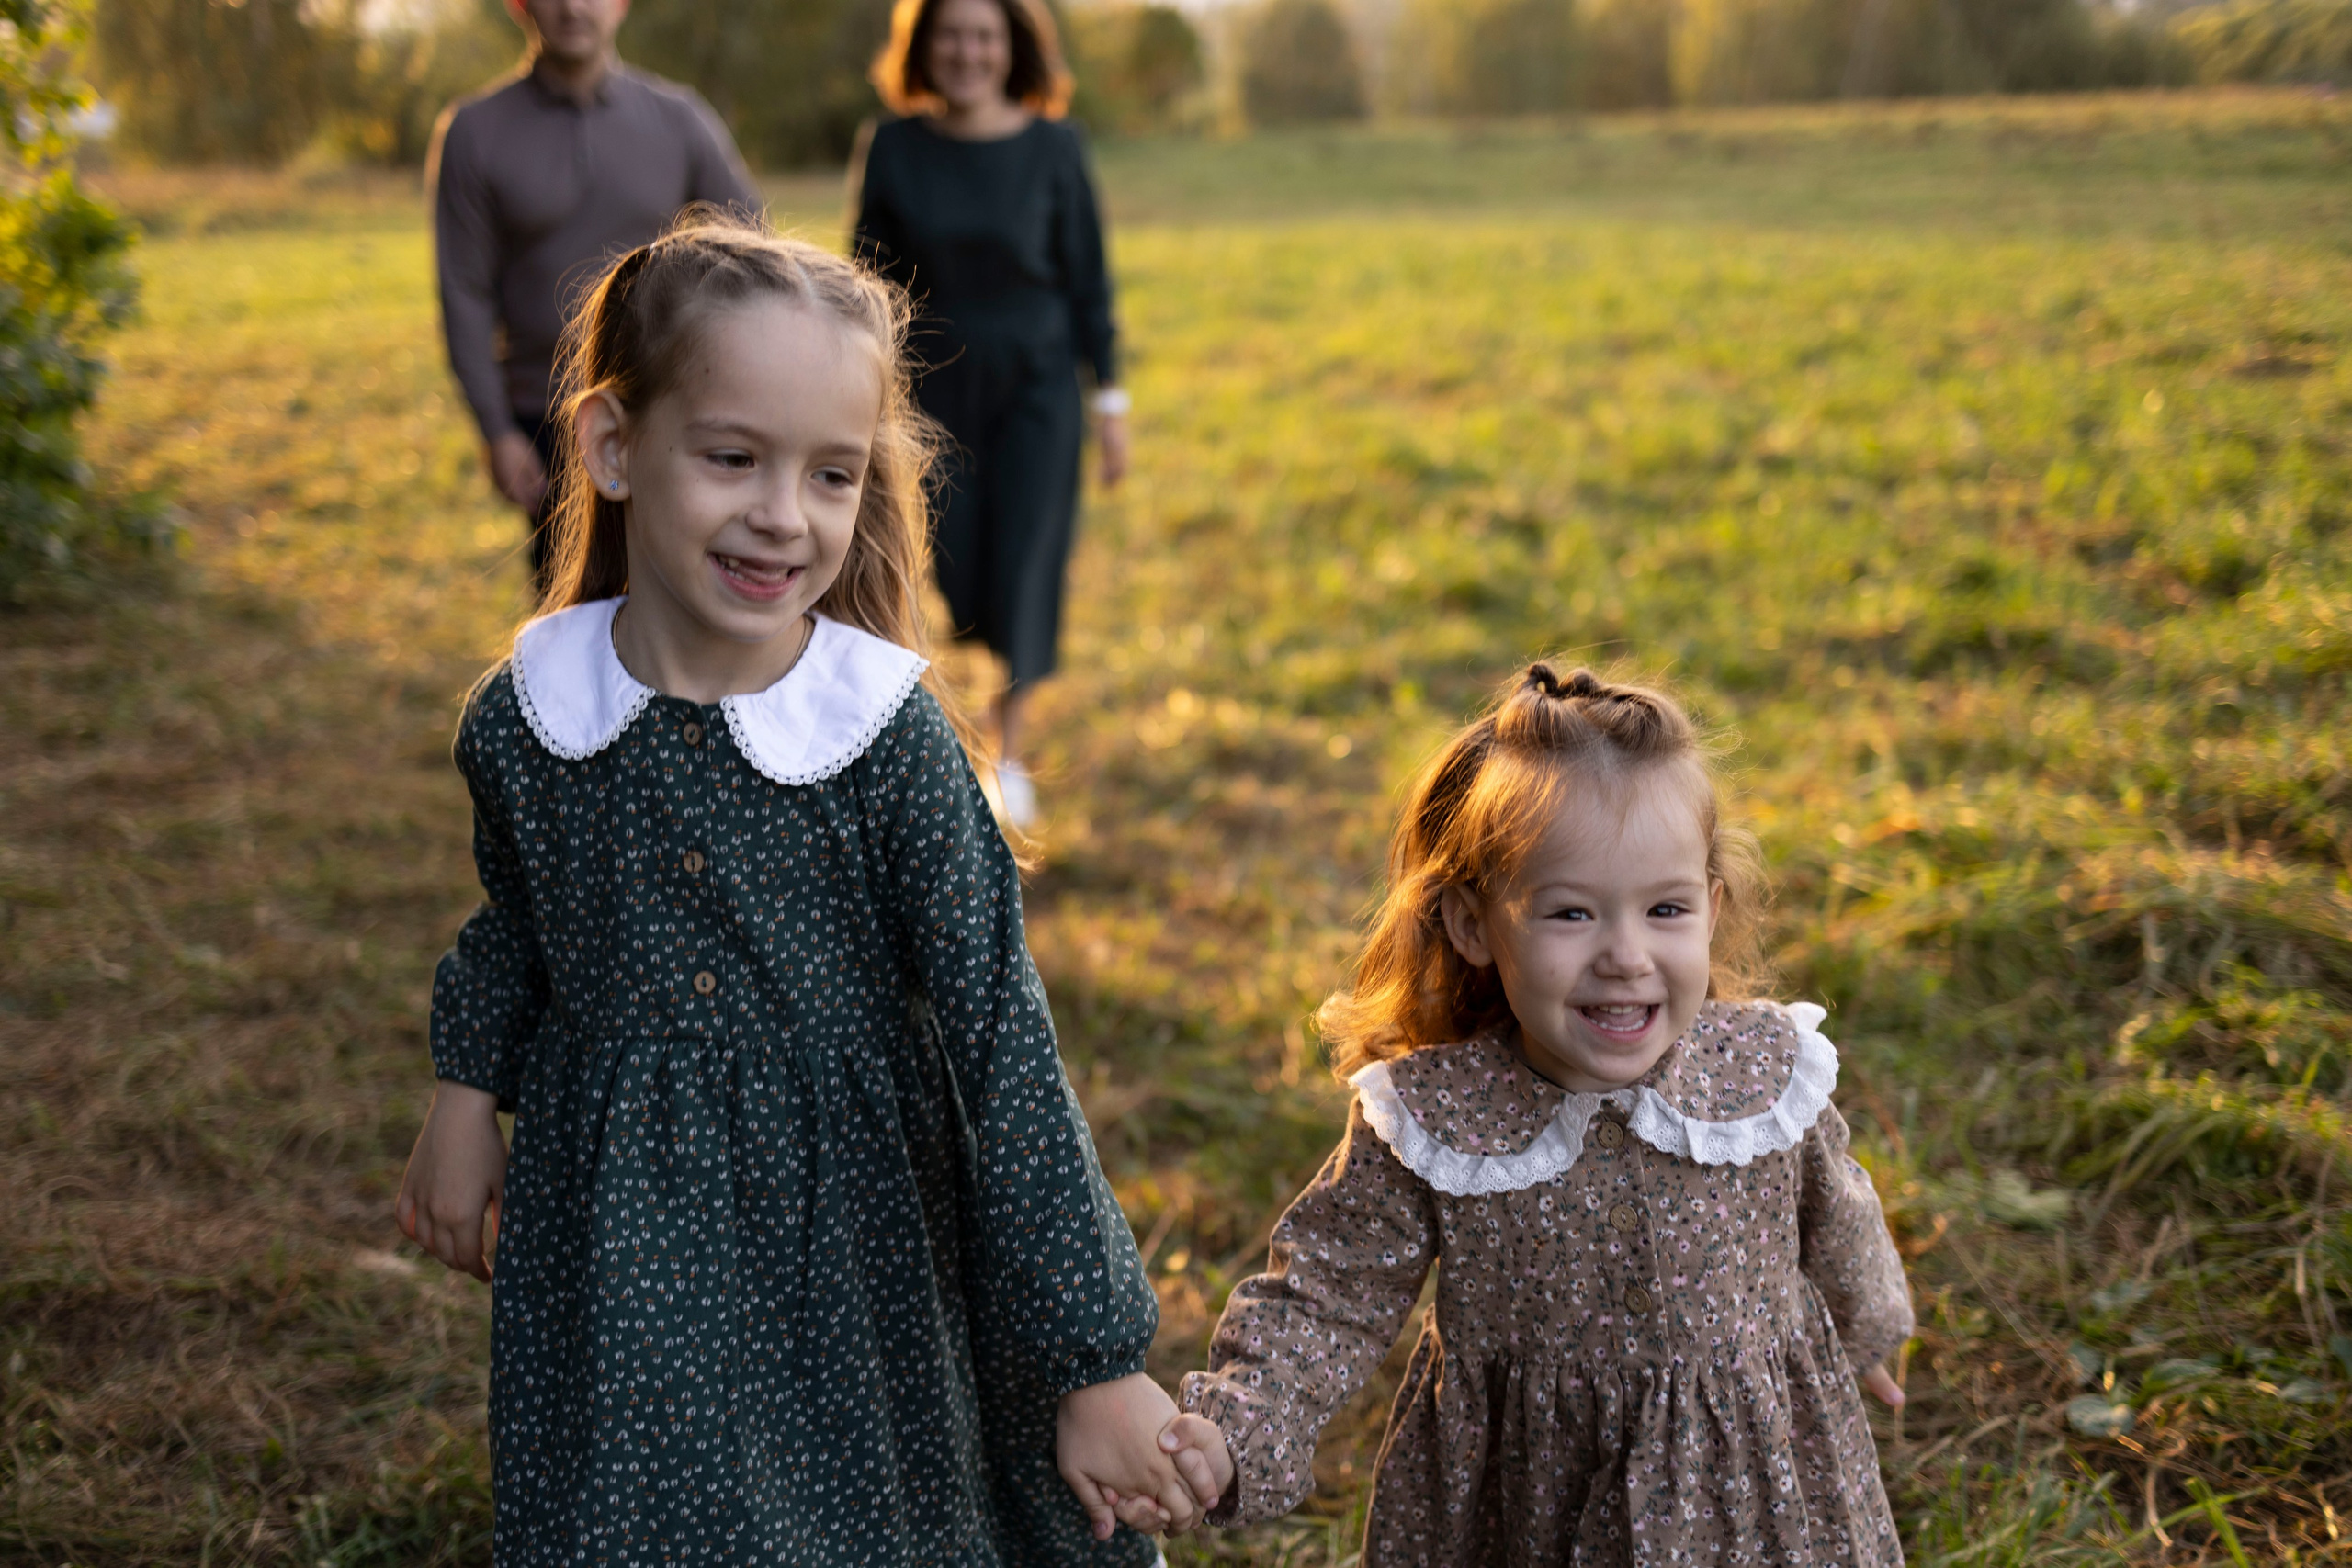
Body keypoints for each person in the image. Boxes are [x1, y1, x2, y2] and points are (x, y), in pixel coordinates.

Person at [392, 215, 1200, 1563]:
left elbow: (1000, 1034)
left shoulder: (880, 739)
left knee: (860, 1517)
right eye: (733, 457)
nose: (785, 514)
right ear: (612, 446)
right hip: (620, 1220)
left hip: (856, 1229)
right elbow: (521, 921)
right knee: (639, 1510)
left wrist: (1090, 1353)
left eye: (832, 474)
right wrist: (466, 1093)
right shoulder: (533, 718)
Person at [1149, 666, 1917, 1565]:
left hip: (1745, 1484)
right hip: (1529, 1500)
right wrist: (1238, 1427)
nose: (1626, 954)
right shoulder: (1437, 1121)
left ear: (1711, 911)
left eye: (1665, 909)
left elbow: (1836, 1210)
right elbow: (1327, 1295)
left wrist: (1864, 1328)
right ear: (1475, 926)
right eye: (1572, 913)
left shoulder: (1761, 1074)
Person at [851, 0, 1128, 829]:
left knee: (1025, 567)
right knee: (958, 570)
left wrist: (1110, 401)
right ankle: (963, 712)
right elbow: (865, 282)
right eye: (951, 35)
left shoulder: (1056, 147)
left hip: (1038, 386)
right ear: (923, 46)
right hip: (931, 390)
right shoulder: (893, 147)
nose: (967, 52)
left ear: (1012, 48)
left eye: (984, 36)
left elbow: (1090, 281)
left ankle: (1004, 751)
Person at [427, 0, 760, 597]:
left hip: (672, 400)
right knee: (575, 602)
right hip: (547, 413)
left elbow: (752, 246)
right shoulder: (475, 131)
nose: (573, 6)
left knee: (686, 592)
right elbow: (464, 292)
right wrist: (496, 430)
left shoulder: (679, 118)